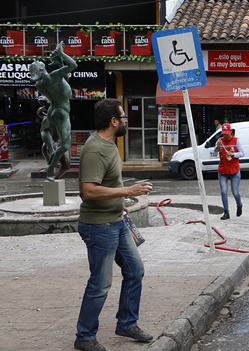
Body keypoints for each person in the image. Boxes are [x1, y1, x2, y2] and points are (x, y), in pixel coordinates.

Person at [75, 98, 154, 351]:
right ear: (113, 121)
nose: (126, 122)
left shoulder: (109, 145)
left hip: (117, 222)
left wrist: (124, 198)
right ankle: (84, 337)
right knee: (100, 283)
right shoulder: (96, 149)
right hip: (99, 227)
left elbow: (105, 185)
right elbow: (89, 191)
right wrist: (127, 190)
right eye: (123, 118)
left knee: (134, 271)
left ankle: (126, 323)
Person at [29, 41, 77, 180]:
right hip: (61, 112)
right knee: (65, 146)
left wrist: (59, 63)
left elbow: (64, 83)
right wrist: (62, 54)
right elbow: (73, 65)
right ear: (43, 70)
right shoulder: (53, 77)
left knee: (44, 129)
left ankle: (50, 150)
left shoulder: (40, 83)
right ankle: (51, 167)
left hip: (52, 110)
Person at [215, 123, 245, 219]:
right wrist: (217, 148)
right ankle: (226, 212)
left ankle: (239, 205)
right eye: (223, 134)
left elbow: (242, 153)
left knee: (235, 192)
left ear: (231, 132)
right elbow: (213, 153)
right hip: (222, 169)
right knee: (223, 191)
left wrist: (233, 154)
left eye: (227, 133)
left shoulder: (236, 141)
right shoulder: (220, 141)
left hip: (234, 169)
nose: (225, 136)